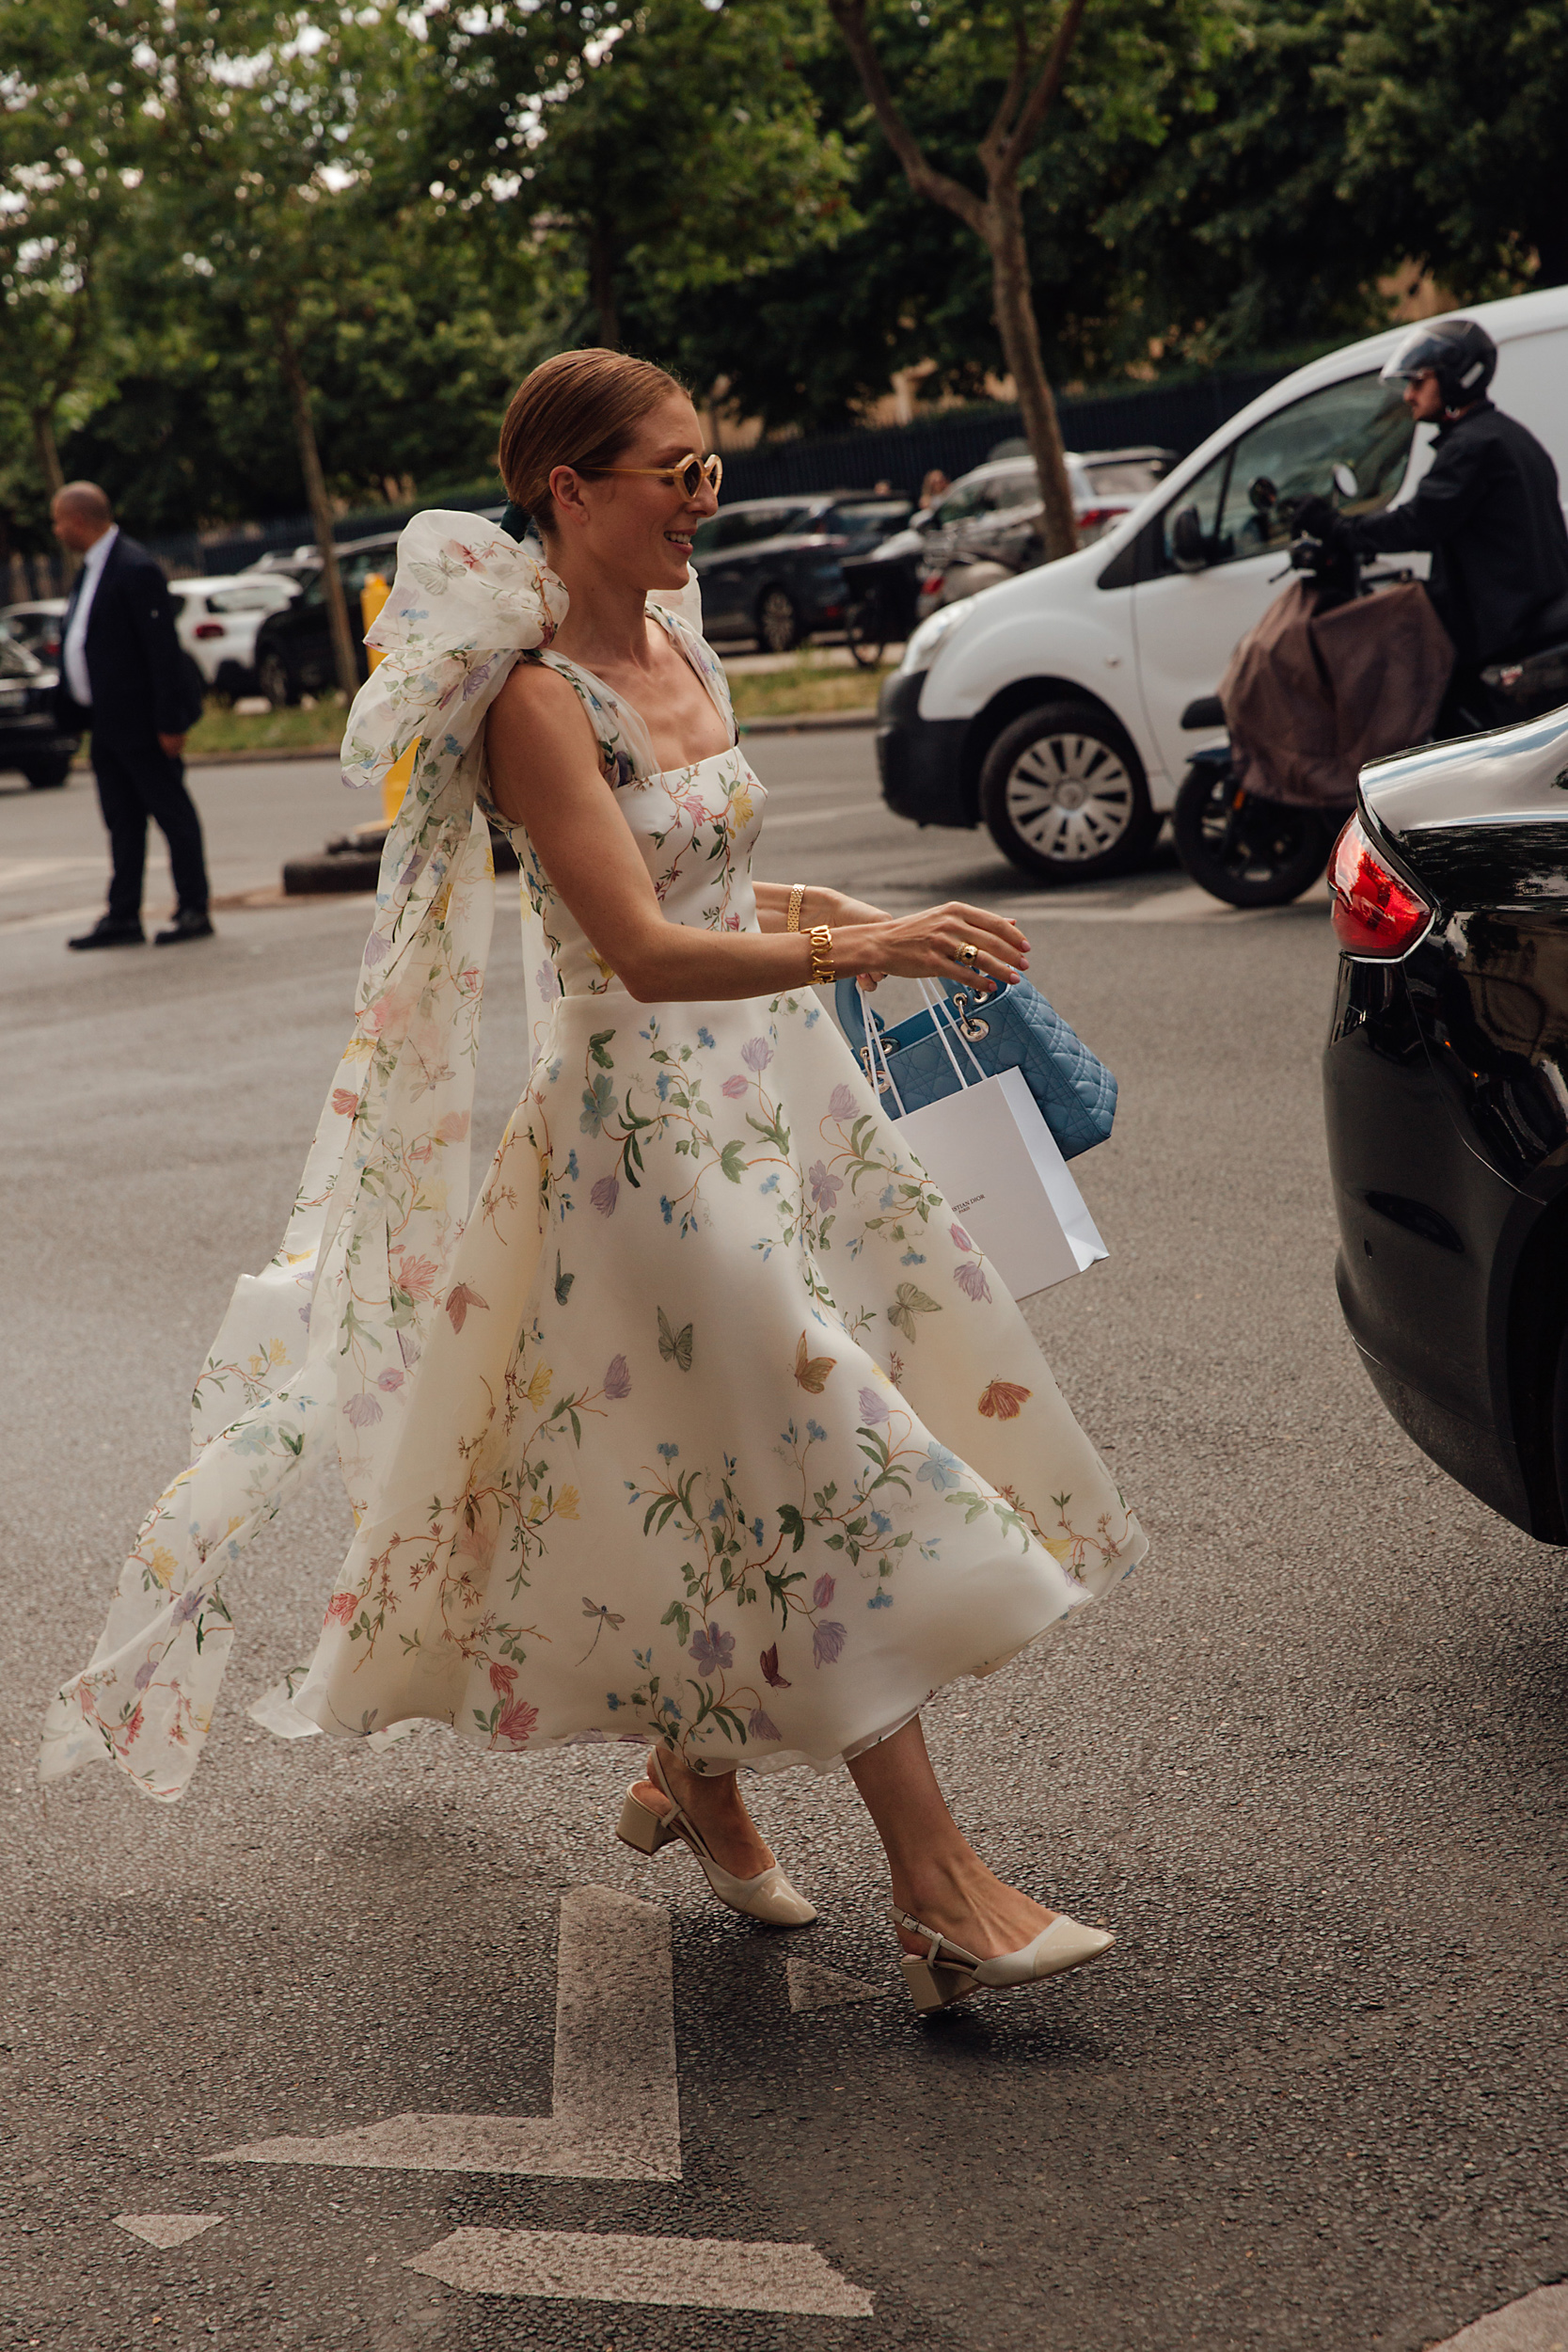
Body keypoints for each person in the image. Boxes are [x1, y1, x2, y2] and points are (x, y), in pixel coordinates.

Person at [43, 353, 1146, 2016]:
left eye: (710, 469)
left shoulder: (685, 641)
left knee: (726, 1479)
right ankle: (937, 1889)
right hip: (640, 1137)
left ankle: (695, 1770)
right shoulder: (534, 694)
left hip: (778, 1098)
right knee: (822, 1455)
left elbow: (714, 874)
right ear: (572, 490)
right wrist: (867, 941)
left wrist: (831, 916)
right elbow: (628, 945)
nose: (707, 499)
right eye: (677, 475)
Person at [1294, 319, 1568, 683]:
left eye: (1419, 382)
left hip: (1504, 626)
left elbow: (1416, 524)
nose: (1409, 395)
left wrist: (1336, 527)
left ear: (1456, 380)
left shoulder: (1470, 448)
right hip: (1525, 610)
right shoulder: (1507, 435)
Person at [50, 482, 212, 950]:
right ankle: (123, 915)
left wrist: (170, 721)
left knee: (172, 813)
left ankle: (193, 907)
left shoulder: (134, 567)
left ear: (79, 520)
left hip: (143, 722)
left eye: (59, 521)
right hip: (107, 723)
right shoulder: (93, 570)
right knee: (121, 820)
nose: (56, 530)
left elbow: (162, 652)